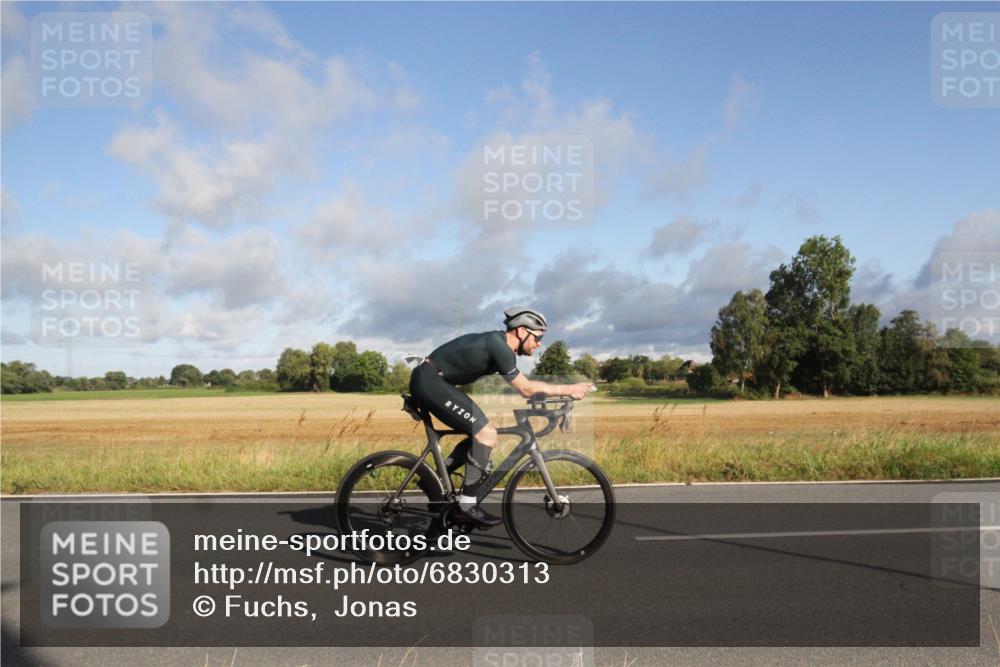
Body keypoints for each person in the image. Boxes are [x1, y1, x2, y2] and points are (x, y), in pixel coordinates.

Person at [408, 307, 593, 529]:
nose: (540, 343)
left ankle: (434, 481)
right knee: (486, 433)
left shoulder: (500, 345)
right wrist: (569, 389)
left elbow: (524, 388)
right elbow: (526, 389)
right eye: (538, 336)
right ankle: (465, 507)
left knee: (480, 433)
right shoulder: (500, 346)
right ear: (522, 331)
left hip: (434, 381)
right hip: (430, 382)